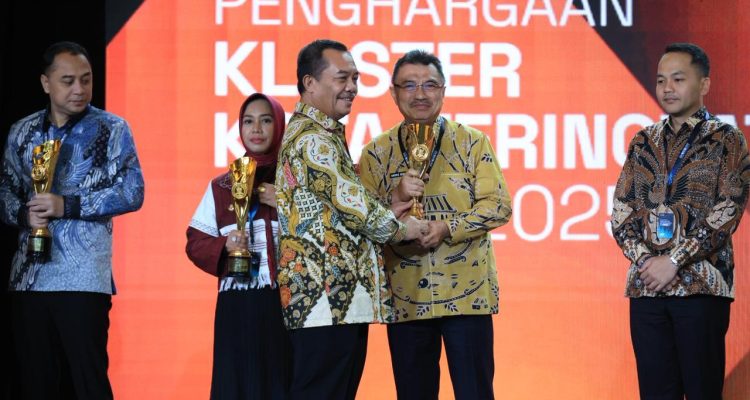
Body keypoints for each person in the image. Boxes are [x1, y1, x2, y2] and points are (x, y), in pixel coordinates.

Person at [274, 39, 426, 400]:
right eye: (342, 78)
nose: (353, 87)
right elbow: (354, 205)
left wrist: (391, 204)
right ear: (310, 83)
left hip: (336, 302)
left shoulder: (324, 134)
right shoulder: (313, 140)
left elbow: (341, 209)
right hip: (324, 300)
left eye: (355, 78)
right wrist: (403, 229)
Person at [358, 50, 512, 400]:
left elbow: (498, 205)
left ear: (443, 90)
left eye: (430, 85)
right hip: (406, 298)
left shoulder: (473, 142)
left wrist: (447, 228)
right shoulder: (376, 153)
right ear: (393, 93)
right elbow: (364, 220)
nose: (420, 94)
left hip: (467, 297)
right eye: (409, 85)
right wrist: (395, 202)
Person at [0, 41, 145, 399]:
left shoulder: (113, 129)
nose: (79, 89)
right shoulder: (22, 132)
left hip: (84, 279)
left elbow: (133, 192)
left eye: (86, 79)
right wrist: (24, 213)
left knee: (88, 383)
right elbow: (5, 193)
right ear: (46, 83)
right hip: (29, 279)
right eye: (68, 81)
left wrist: (68, 205)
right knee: (35, 383)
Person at [611, 43, 749, 399]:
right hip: (647, 289)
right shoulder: (643, 140)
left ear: (704, 85)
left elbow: (729, 208)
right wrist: (646, 262)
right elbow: (621, 210)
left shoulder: (726, 138)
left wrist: (673, 260)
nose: (667, 88)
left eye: (678, 79)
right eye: (661, 80)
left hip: (701, 290)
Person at [186, 93, 291, 400]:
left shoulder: (294, 181)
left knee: (283, 383)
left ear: (279, 126)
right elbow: (195, 242)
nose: (256, 129)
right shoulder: (222, 186)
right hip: (238, 304)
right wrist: (225, 245)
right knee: (236, 385)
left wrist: (287, 203)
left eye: (266, 120)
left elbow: (323, 233)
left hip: (289, 301)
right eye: (248, 121)